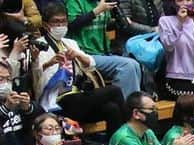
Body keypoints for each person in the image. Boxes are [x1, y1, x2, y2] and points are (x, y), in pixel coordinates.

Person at [33, 4, 127, 134]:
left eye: (63, 21)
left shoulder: (70, 43)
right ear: (45, 24)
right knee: (114, 90)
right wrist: (50, 64)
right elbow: (37, 81)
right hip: (59, 101)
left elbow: (91, 64)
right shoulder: (39, 46)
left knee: (112, 109)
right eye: (56, 22)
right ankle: (129, 134)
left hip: (79, 97)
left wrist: (78, 56)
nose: (60, 25)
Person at [63, 0, 143, 97]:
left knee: (135, 65)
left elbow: (106, 24)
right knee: (127, 66)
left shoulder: (102, 2)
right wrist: (96, 11)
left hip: (103, 53)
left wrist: (120, 21)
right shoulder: (75, 2)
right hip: (83, 55)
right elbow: (71, 25)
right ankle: (123, 109)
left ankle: (133, 107)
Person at [158, 0, 194, 96]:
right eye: (180, 0)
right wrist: (179, 23)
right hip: (175, 78)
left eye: (188, 0)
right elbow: (168, 45)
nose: (185, 3)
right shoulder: (165, 21)